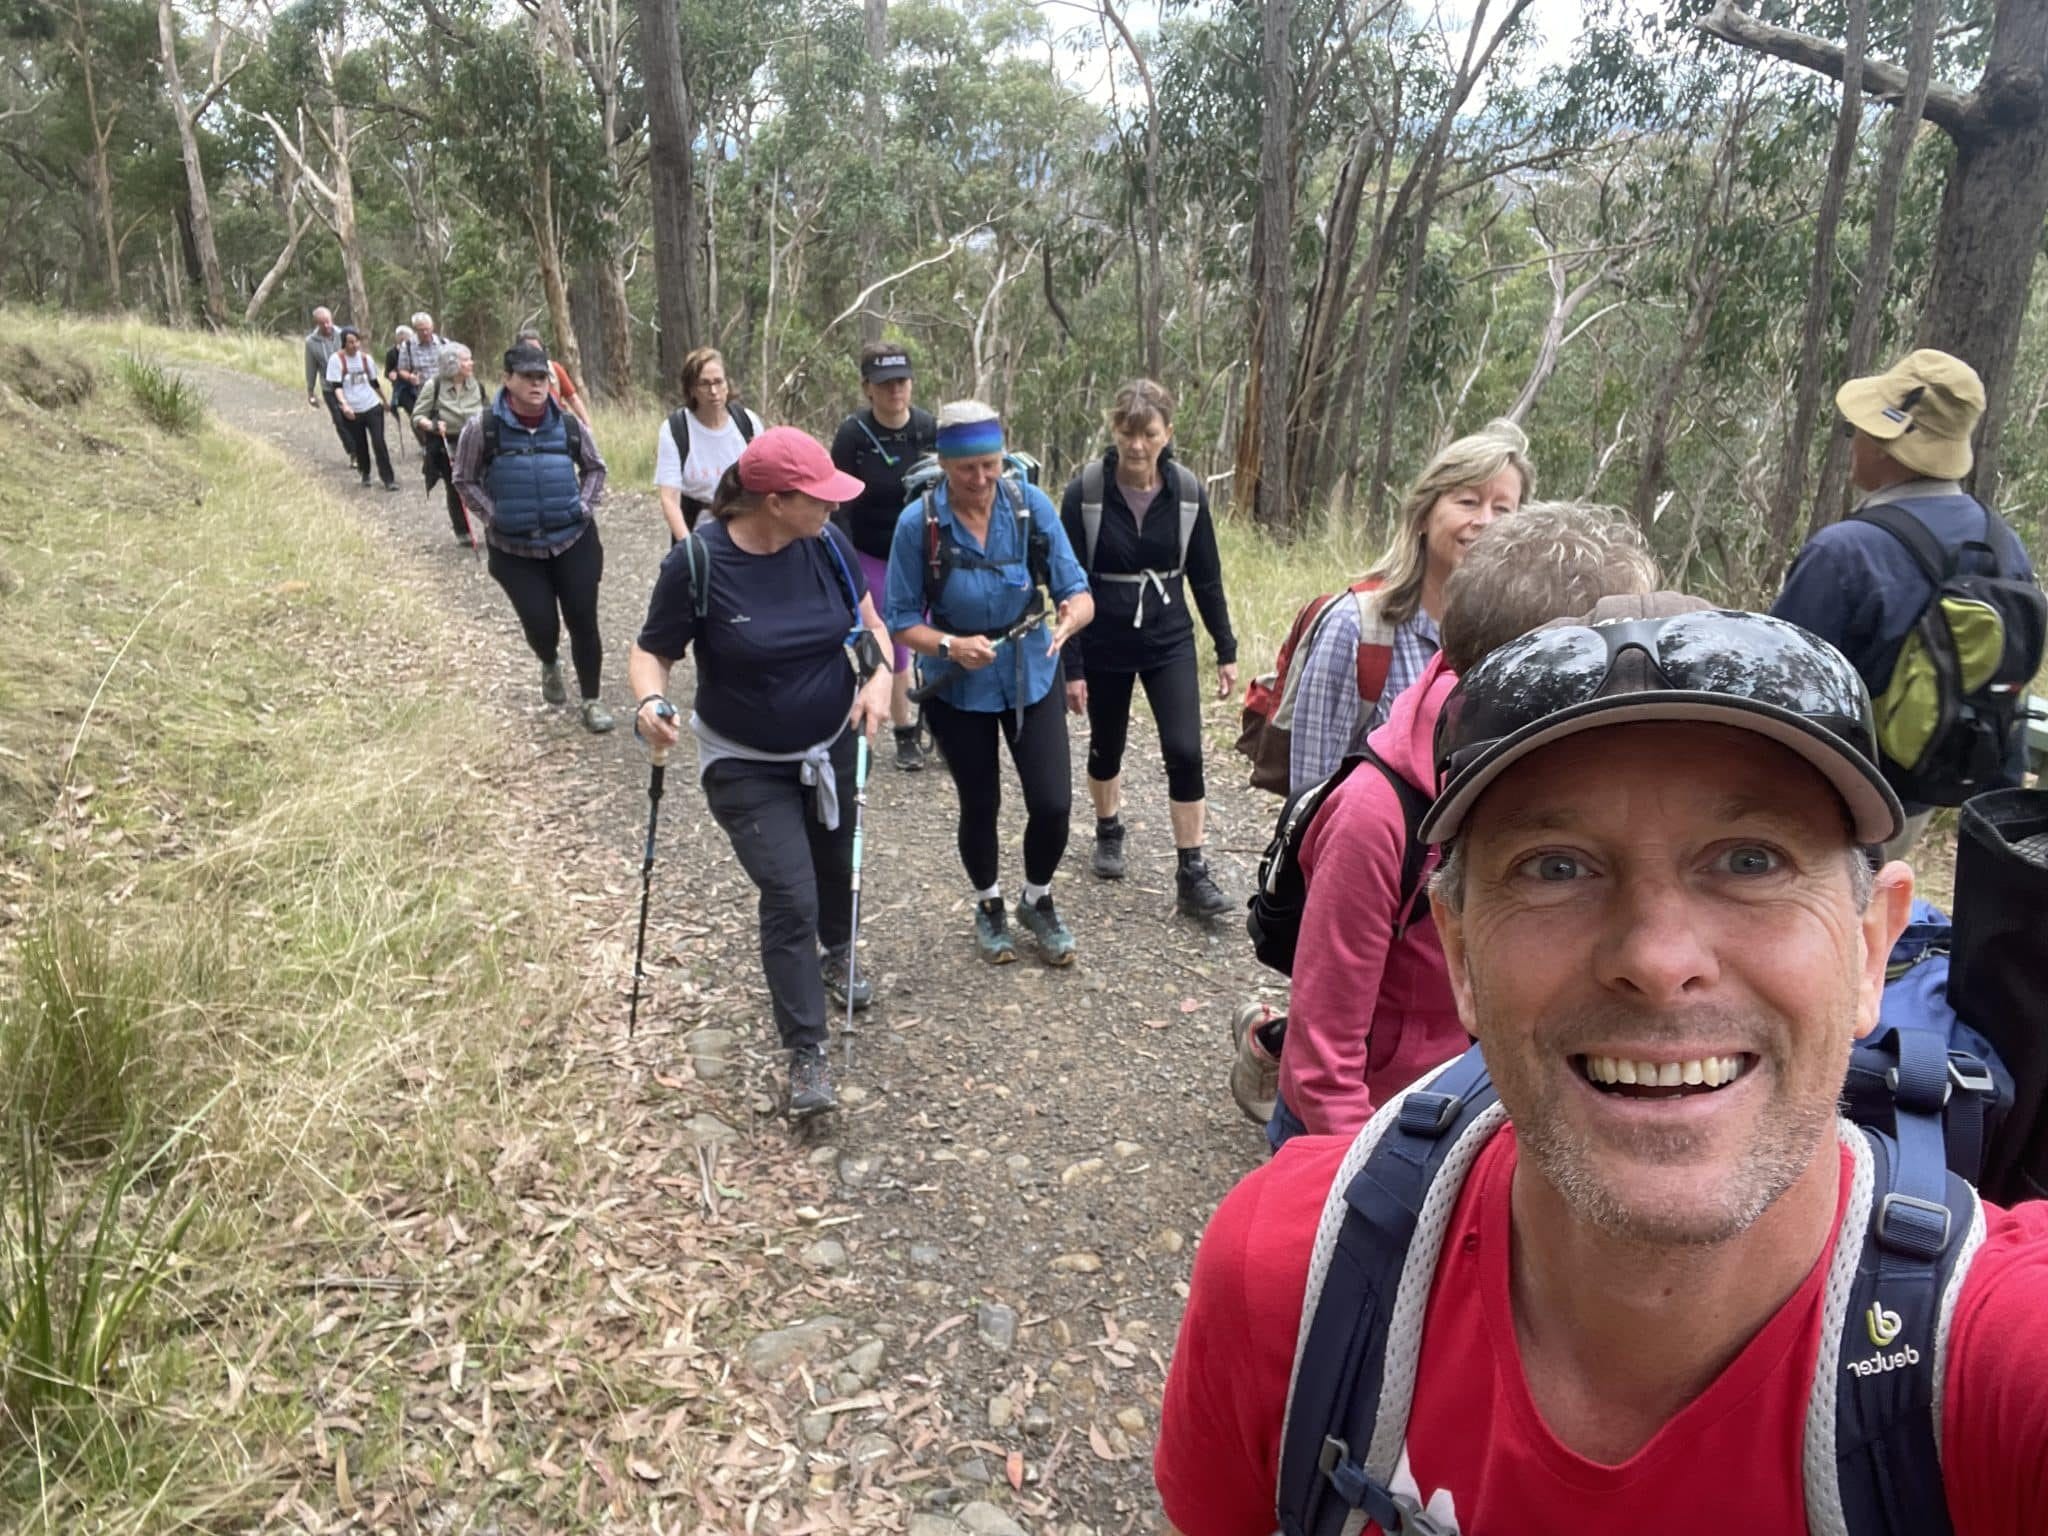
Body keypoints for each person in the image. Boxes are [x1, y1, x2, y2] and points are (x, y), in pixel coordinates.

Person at [1158, 604, 2048, 1535]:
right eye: (1556, 868)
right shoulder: (1289, 1276)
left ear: (1870, 948)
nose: (1657, 959)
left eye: (1751, 861)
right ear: (1460, 956)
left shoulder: (1992, 1372)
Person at [1244, 505, 1660, 1142]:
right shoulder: (1375, 816)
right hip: (1370, 1128)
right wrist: (1370, 1178)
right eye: (1608, 676)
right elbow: (1322, 1061)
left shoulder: (1571, 788)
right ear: (1522, 685)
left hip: (1470, 1105)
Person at [629, 428, 894, 1119]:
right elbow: (652, 653)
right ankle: (807, 1050)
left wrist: (880, 678)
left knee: (834, 863)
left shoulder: (828, 546)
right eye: (819, 498)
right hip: (743, 761)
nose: (833, 508)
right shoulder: (697, 562)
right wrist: (650, 702)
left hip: (832, 742)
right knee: (789, 893)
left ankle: (839, 949)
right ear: (775, 502)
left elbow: (871, 625)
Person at [1773, 348, 2038, 861]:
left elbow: (1776, 688)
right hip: (1917, 799)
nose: (1854, 440)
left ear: (1888, 444)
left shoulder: (1845, 552)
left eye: (1861, 429)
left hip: (1832, 802)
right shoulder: (2005, 546)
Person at [884, 401, 1095, 965]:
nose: (980, 479)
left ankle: (1037, 898)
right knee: (980, 803)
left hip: (1032, 670)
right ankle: (989, 903)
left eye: (990, 465)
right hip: (956, 683)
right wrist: (950, 646)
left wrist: (1071, 617)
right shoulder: (919, 525)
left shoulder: (1029, 506)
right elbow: (900, 619)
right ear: (944, 465)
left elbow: (1078, 591)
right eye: (966, 469)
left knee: (1053, 803)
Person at [1059, 380, 1238, 917]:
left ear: (1168, 434)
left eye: (1149, 434)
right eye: (1128, 432)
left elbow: (1206, 576)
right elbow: (1067, 583)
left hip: (1168, 638)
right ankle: (1108, 828)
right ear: (1114, 430)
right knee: (1106, 745)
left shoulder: (1186, 494)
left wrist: (1225, 648)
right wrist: (1072, 666)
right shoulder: (1086, 493)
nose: (1137, 445)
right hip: (1104, 639)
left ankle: (1192, 871)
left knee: (1185, 750)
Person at [1286, 420, 1533, 796]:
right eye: (1468, 501)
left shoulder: (1517, 646)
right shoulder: (1354, 628)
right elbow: (1310, 794)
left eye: (1503, 509)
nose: (1486, 522)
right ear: (1422, 516)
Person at [453, 341, 615, 733]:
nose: (537, 384)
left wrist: (584, 506)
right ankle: (549, 661)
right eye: (528, 376)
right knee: (541, 624)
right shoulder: (483, 427)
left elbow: (595, 468)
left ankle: (591, 700)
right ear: (507, 379)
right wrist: (494, 515)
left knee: (583, 620)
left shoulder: (569, 425)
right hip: (515, 550)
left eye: (542, 376)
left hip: (573, 539)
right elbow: (464, 478)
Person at [831, 341, 938, 771]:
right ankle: (904, 730)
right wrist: (845, 562)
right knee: (894, 641)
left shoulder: (928, 429)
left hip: (925, 554)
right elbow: (839, 504)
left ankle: (942, 723)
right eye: (885, 383)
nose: (895, 390)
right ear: (867, 388)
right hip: (871, 552)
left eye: (902, 381)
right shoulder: (853, 436)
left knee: (937, 638)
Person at [655, 347, 766, 540]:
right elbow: (669, 498)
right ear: (691, 389)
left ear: (727, 384)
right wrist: (689, 548)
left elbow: (766, 478)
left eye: (718, 382)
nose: (713, 391)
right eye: (704, 384)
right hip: (697, 531)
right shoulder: (676, 430)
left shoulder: (748, 422)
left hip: (746, 530)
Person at [414, 343, 486, 544]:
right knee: (455, 486)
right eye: (466, 360)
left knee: (486, 482)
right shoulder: (434, 385)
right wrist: (432, 425)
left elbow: (488, 410)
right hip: (448, 442)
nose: (471, 363)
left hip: (476, 441)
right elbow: (417, 416)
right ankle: (463, 531)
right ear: (451, 363)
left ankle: (492, 525)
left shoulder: (476, 385)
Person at [325, 327, 398, 492]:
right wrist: (344, 405)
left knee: (379, 442)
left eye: (356, 341)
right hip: (352, 409)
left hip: (371, 405)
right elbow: (336, 387)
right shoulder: (336, 360)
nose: (355, 345)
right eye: (350, 342)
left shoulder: (366, 359)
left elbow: (374, 382)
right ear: (344, 343)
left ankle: (388, 479)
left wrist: (385, 401)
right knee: (360, 443)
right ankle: (365, 472)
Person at [516, 327, 593, 428]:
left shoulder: (554, 369)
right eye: (527, 350)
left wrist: (587, 427)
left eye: (536, 350)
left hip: (557, 427)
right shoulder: (513, 376)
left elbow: (573, 399)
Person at [303, 306, 353, 460]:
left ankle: (360, 449)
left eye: (328, 321)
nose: (326, 325)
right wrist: (310, 391)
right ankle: (353, 452)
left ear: (332, 320)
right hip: (329, 387)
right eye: (322, 323)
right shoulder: (311, 342)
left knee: (352, 418)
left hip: (347, 384)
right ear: (317, 324)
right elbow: (311, 367)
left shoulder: (342, 335)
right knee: (339, 421)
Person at [409, 312, 457, 392]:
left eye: (427, 329)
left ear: (432, 327)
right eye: (421, 330)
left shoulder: (444, 343)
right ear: (415, 330)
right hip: (421, 391)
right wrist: (410, 377)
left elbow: (454, 364)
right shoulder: (408, 345)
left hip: (444, 389)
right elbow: (402, 369)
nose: (425, 332)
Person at [386, 323, 421, 428]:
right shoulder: (391, 353)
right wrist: (391, 375)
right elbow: (387, 371)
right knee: (414, 414)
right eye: (400, 338)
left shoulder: (415, 350)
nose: (403, 340)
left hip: (417, 386)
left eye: (405, 338)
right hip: (402, 389)